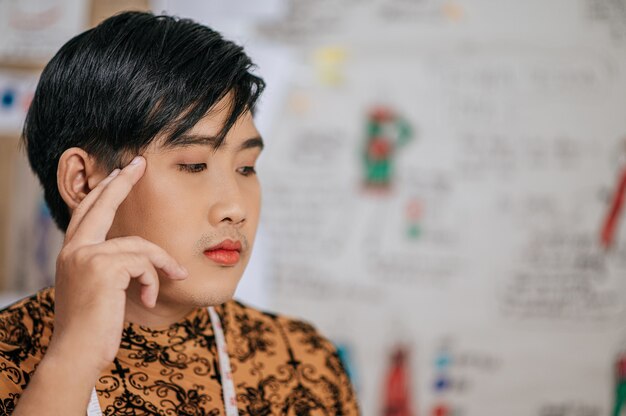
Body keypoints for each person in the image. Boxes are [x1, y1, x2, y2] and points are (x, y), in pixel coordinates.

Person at [0, 11, 359, 415]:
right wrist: (72, 359)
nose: (235, 208)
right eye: (193, 166)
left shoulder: (302, 362)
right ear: (83, 181)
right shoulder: (8, 357)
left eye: (246, 168)